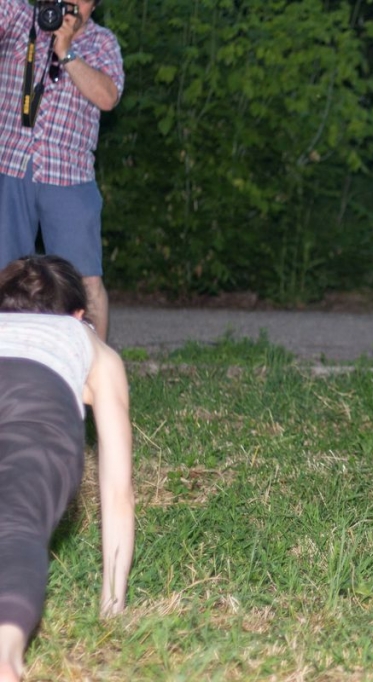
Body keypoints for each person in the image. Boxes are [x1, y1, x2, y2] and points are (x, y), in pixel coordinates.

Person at [0, 255, 134, 682]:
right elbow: (117, 491)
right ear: (79, 315)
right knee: (17, 526)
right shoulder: (88, 342)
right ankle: (5, 654)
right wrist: (112, 605)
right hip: (36, 414)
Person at [0, 0, 124, 341]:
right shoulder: (21, 19)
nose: (70, 3)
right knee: (3, 273)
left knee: (86, 281)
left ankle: (95, 364)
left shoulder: (102, 42)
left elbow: (108, 97)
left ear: (95, 5)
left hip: (69, 176)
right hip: (9, 169)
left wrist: (66, 51)